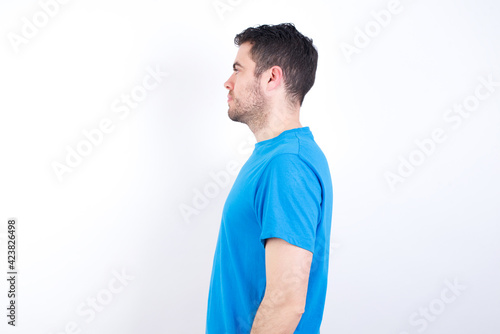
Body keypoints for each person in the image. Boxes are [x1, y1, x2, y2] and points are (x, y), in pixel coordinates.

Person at [206, 23, 333, 334]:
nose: (228, 82)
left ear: (271, 78)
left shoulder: (287, 164)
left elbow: (287, 301)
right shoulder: (277, 156)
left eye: (238, 70)